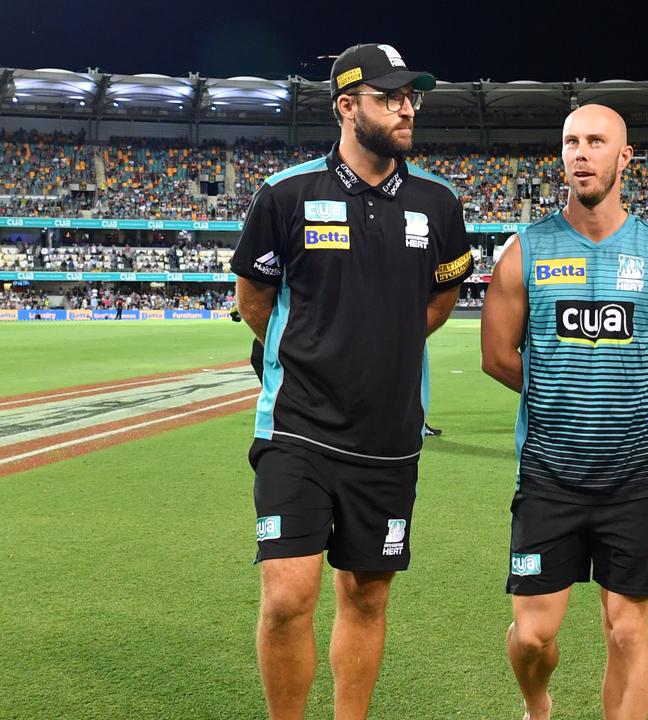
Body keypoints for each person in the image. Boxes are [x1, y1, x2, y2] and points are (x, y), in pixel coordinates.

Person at [230, 43, 472, 720]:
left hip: (389, 436)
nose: (406, 108)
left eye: (411, 98)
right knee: (286, 596)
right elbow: (255, 297)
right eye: (390, 96)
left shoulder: (439, 203)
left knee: (367, 598)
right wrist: (310, 353)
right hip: (296, 426)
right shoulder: (285, 195)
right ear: (346, 106)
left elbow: (441, 296)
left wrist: (382, 346)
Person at [480, 103, 648, 720]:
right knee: (532, 636)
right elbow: (497, 356)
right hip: (548, 476)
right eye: (571, 141)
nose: (581, 152)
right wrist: (558, 392)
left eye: (596, 141)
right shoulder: (526, 251)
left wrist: (628, 399)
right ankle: (538, 705)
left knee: (628, 632)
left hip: (633, 479)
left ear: (624, 157)